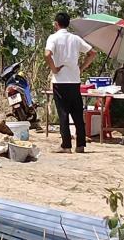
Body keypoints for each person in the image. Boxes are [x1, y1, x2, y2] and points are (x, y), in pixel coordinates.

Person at [45, 12, 97, 153]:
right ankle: (80, 145)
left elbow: (47, 54)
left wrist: (54, 69)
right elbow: (92, 53)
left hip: (60, 81)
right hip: (74, 81)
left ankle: (66, 145)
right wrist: (82, 67)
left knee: (63, 114)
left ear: (56, 24)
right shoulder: (75, 39)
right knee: (77, 114)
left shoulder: (53, 38)